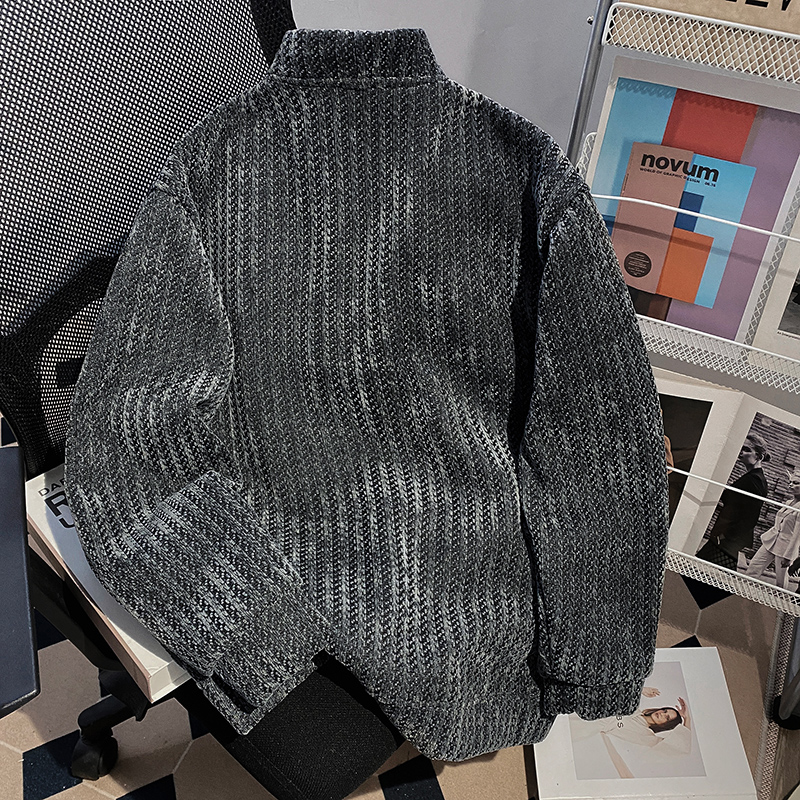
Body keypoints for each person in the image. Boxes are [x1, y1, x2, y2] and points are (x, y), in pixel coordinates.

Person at [697, 434, 769, 571]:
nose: (741, 452)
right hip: (726, 537)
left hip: (728, 539)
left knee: (702, 571)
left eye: (747, 449)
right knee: (708, 573)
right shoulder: (752, 477)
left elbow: (751, 518)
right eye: (741, 448)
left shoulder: (755, 481)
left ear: (759, 456)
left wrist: (725, 536)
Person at [570, 686, 692, 758]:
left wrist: (687, 719)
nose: (662, 714)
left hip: (584, 727)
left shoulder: (646, 735)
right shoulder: (634, 707)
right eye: (665, 711)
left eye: (667, 718)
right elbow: (613, 691)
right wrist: (640, 689)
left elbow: (678, 749)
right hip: (584, 707)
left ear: (665, 725)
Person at [746, 468, 800, 590]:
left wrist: (789, 556)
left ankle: (780, 600)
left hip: (785, 548)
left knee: (780, 581)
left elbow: (797, 535)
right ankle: (743, 592)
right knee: (753, 568)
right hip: (771, 541)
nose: (791, 485)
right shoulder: (788, 502)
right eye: (790, 482)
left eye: (796, 483)